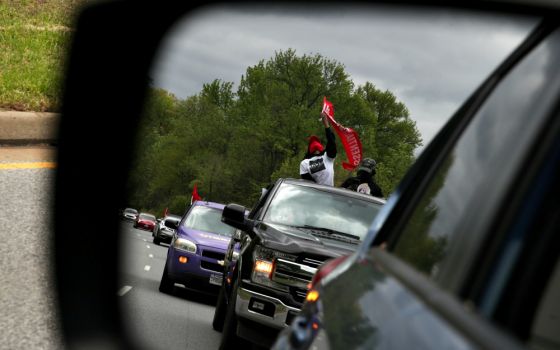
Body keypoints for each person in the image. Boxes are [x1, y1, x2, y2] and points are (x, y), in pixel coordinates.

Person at [300, 113, 337, 186]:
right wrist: (326, 125)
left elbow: (331, 142)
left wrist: (326, 125)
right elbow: (308, 184)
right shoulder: (304, 163)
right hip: (317, 194)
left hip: (325, 194)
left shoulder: (327, 157)